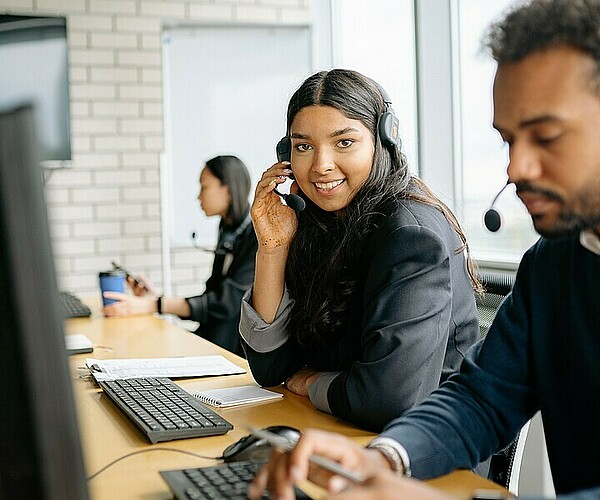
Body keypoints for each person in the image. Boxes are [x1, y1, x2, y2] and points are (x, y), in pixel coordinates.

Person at [248, 0, 600, 498]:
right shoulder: (555, 264)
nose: (515, 169)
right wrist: (384, 459)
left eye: (545, 137)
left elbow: (389, 393)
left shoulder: (411, 230)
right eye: (507, 141)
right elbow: (480, 399)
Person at [239, 68, 482, 433]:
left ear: (382, 141)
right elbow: (270, 369)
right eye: (304, 146)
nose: (321, 165)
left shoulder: (411, 235)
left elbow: (388, 399)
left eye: (344, 142)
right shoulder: (318, 223)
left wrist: (313, 383)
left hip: (422, 458)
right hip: (342, 435)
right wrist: (273, 249)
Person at [103, 155, 257, 357]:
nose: (198, 197)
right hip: (214, 339)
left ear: (227, 190)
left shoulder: (257, 234)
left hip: (236, 351)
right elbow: (212, 292)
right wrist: (155, 299)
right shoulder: (227, 228)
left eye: (204, 187)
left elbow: (226, 303)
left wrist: (156, 304)